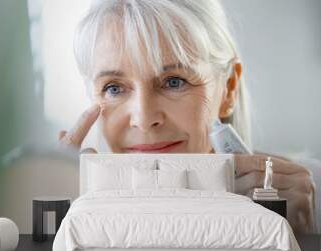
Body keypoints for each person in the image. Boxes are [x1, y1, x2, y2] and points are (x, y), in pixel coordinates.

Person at [57, 0, 315, 233]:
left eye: (174, 82)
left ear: (228, 89)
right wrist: (64, 230)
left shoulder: (305, 197)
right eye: (114, 88)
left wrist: (300, 241)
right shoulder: (80, 212)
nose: (145, 119)